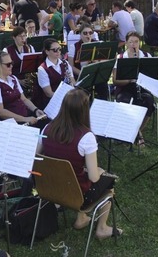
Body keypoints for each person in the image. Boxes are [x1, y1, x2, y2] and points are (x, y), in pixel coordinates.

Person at [37, 88, 121, 239]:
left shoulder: (47, 128)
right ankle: (101, 228)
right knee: (108, 181)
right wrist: (101, 172)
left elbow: (36, 157)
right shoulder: (86, 137)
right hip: (75, 194)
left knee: (81, 175)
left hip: (49, 188)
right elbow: (94, 178)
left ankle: (82, 219)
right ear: (84, 111)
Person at [111, 32, 155, 147]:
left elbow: (152, 77)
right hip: (125, 87)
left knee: (149, 102)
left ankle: (136, 131)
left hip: (141, 87)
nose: (133, 45)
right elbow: (115, 81)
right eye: (130, 42)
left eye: (136, 42)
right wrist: (129, 80)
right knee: (125, 102)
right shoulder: (120, 58)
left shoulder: (146, 56)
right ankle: (138, 135)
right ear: (126, 43)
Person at [0, 51, 45, 125]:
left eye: (12, 63)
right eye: (8, 64)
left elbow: (24, 99)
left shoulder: (13, 78)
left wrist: (36, 110)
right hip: (12, 124)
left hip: (25, 117)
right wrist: (24, 119)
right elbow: (0, 112)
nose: (11, 66)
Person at [32, 38, 74, 109]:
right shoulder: (42, 69)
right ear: (47, 52)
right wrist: (65, 99)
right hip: (52, 103)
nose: (58, 52)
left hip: (66, 98)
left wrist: (71, 85)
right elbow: (49, 93)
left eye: (59, 49)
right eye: (54, 50)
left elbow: (72, 81)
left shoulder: (65, 63)